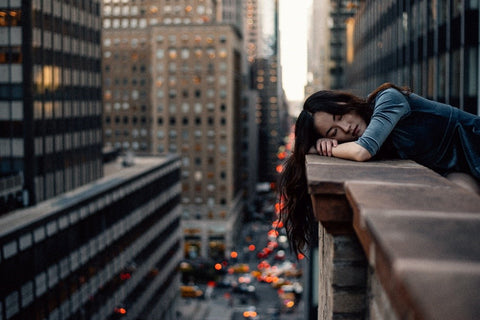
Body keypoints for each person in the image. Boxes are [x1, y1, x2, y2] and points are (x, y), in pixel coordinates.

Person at [278, 82, 480, 255]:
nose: (346, 128)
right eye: (334, 132)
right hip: (461, 170)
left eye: (339, 116)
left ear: (345, 101)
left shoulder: (388, 99)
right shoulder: (378, 140)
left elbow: (362, 151)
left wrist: (323, 149)